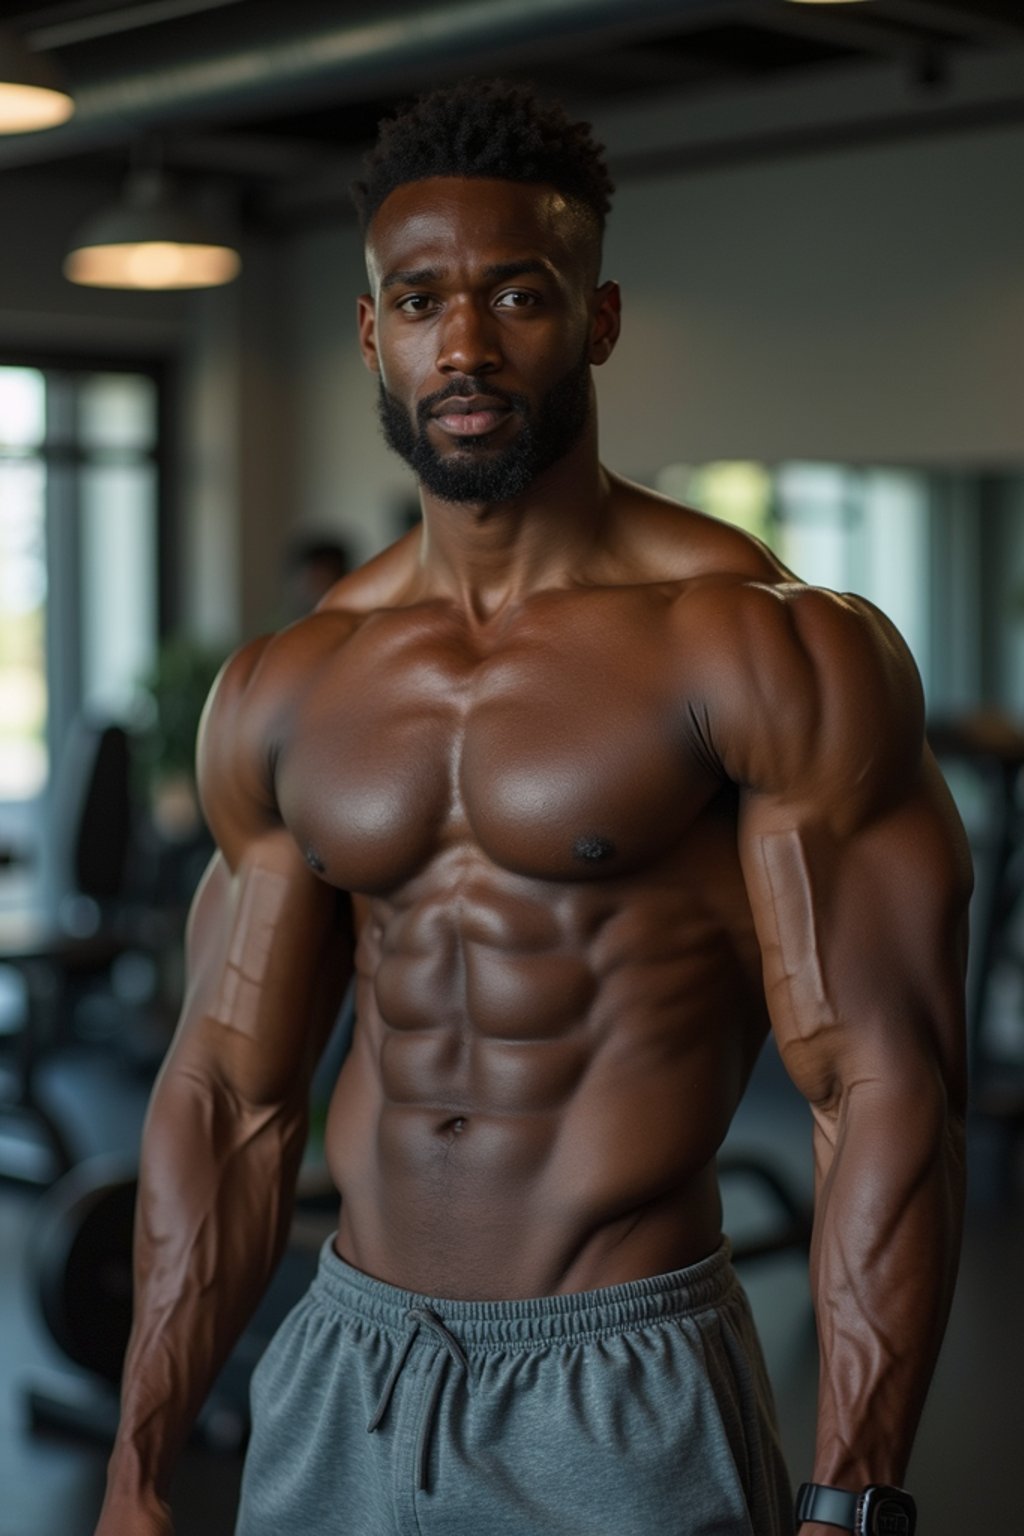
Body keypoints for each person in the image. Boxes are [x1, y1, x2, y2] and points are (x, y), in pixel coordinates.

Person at [96, 79, 972, 1536]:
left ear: (600, 319)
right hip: (344, 1368)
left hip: (619, 1385)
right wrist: (138, 1468)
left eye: (520, 293)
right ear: (373, 333)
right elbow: (227, 1097)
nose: (468, 342)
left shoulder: (756, 643)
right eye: (423, 300)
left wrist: (853, 1499)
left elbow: (882, 1086)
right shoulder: (291, 683)